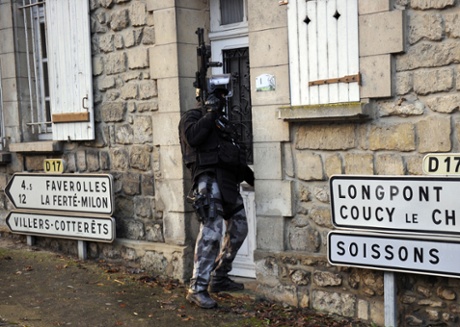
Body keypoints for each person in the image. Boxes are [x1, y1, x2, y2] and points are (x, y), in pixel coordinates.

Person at [178, 88, 255, 309]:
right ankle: (197, 288)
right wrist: (210, 113)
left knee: (239, 229)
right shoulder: (192, 117)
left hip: (228, 183)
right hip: (207, 179)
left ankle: (219, 277)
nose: (221, 101)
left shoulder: (223, 124)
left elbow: (234, 158)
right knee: (212, 232)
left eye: (223, 98)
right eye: (217, 97)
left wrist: (254, 179)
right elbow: (193, 138)